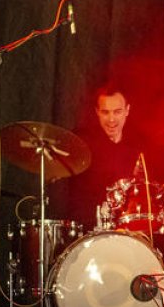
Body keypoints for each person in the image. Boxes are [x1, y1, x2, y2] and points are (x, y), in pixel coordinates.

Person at [59, 85, 142, 229]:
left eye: (117, 112)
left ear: (127, 110)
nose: (111, 119)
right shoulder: (81, 143)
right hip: (86, 230)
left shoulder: (135, 148)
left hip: (125, 231)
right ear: (97, 112)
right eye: (105, 112)